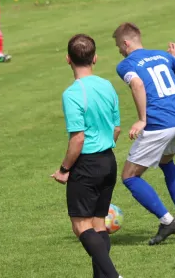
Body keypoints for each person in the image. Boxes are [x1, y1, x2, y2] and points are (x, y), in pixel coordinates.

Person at [112, 22, 175, 245]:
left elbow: (138, 84)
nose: (119, 51)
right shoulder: (163, 55)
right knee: (166, 162)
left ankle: (168, 221)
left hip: (160, 124)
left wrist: (142, 119)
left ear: (126, 43)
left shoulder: (126, 64)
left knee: (130, 177)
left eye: (118, 46)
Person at [51, 34, 123, 278]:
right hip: (108, 161)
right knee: (99, 223)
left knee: (81, 225)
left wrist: (64, 169)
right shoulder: (108, 86)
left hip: (87, 165)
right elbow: (117, 129)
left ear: (67, 60)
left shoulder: (72, 93)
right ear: (95, 58)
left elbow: (78, 139)